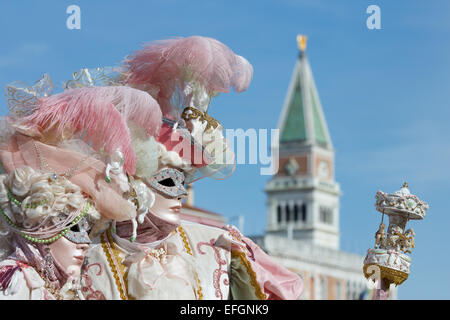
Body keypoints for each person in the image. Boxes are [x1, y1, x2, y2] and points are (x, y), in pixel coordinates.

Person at [0, 166, 100, 299]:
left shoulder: (52, 286)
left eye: (88, 231)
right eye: (73, 227)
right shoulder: (16, 280)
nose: (86, 244)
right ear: (41, 231)